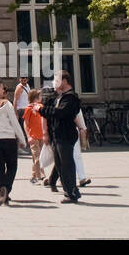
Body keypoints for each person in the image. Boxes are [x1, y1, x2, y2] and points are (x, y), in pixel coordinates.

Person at [40, 70, 81, 203]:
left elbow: (61, 112)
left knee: (66, 164)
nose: (54, 83)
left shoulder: (71, 97)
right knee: (59, 164)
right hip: (56, 135)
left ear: (64, 81)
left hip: (65, 135)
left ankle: (72, 192)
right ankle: (69, 190)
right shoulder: (60, 97)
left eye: (57, 80)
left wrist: (41, 110)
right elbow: (51, 110)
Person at [23, 92, 45, 182]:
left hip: (42, 135)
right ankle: (42, 176)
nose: (41, 98)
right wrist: (28, 136)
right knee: (37, 157)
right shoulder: (28, 109)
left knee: (40, 156)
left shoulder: (41, 106)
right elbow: (25, 123)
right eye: (40, 96)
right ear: (36, 97)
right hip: (33, 136)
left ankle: (33, 175)